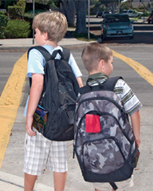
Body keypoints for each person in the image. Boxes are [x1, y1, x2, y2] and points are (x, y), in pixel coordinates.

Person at [23, 11, 83, 191]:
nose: (34, 35)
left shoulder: (36, 53)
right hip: (63, 115)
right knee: (59, 160)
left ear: (45, 35)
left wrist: (29, 116)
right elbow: (79, 83)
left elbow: (38, 84)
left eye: (36, 32)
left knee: (33, 159)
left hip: (41, 115)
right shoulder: (66, 54)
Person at [81, 42, 142, 191]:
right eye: (111, 62)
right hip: (120, 151)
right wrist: (136, 137)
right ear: (103, 64)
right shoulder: (118, 85)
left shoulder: (82, 93)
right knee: (119, 184)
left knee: (100, 185)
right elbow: (134, 111)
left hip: (94, 154)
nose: (112, 66)